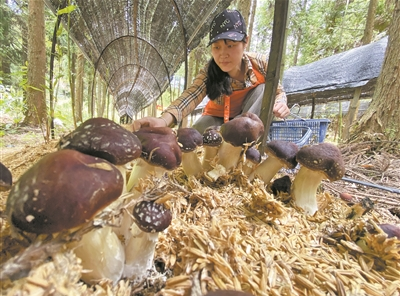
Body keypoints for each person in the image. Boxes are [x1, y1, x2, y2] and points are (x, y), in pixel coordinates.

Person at [132, 9, 290, 134]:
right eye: (217, 47)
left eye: (230, 45)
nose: (223, 54)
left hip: (246, 121)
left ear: (245, 42)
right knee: (195, 136)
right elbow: (189, 97)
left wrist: (281, 103)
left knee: (264, 89)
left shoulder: (261, 63)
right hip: (215, 120)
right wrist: (163, 121)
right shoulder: (210, 70)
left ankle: (247, 148)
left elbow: (278, 92)